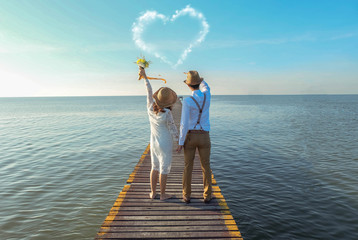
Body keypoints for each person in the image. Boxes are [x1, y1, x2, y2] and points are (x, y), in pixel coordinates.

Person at [139, 67, 179, 200]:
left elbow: (149, 90)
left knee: (154, 166)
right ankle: (162, 195)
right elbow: (173, 127)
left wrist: (145, 76)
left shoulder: (150, 107)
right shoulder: (167, 113)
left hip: (154, 142)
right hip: (165, 142)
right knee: (164, 168)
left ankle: (153, 192)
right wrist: (179, 141)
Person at [177, 70, 212, 204]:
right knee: (206, 166)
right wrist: (199, 79)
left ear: (188, 85)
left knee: (188, 166)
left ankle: (186, 195)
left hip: (190, 137)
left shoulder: (187, 101)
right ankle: (207, 195)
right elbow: (206, 87)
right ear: (199, 83)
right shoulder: (207, 95)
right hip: (204, 136)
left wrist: (181, 141)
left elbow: (184, 123)